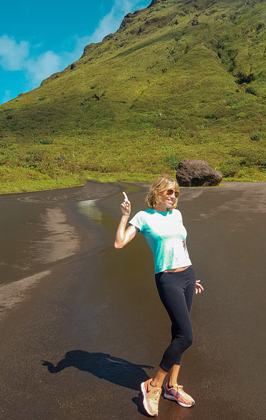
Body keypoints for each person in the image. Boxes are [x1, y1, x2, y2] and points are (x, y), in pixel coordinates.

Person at [115, 176, 204, 417]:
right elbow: (119, 243)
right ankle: (153, 385)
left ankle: (171, 387)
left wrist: (189, 276)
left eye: (175, 193)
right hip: (167, 279)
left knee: (178, 333)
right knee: (186, 336)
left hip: (187, 275)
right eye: (168, 192)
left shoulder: (177, 215)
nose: (173, 196)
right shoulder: (143, 217)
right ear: (156, 193)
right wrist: (125, 215)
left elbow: (181, 245)